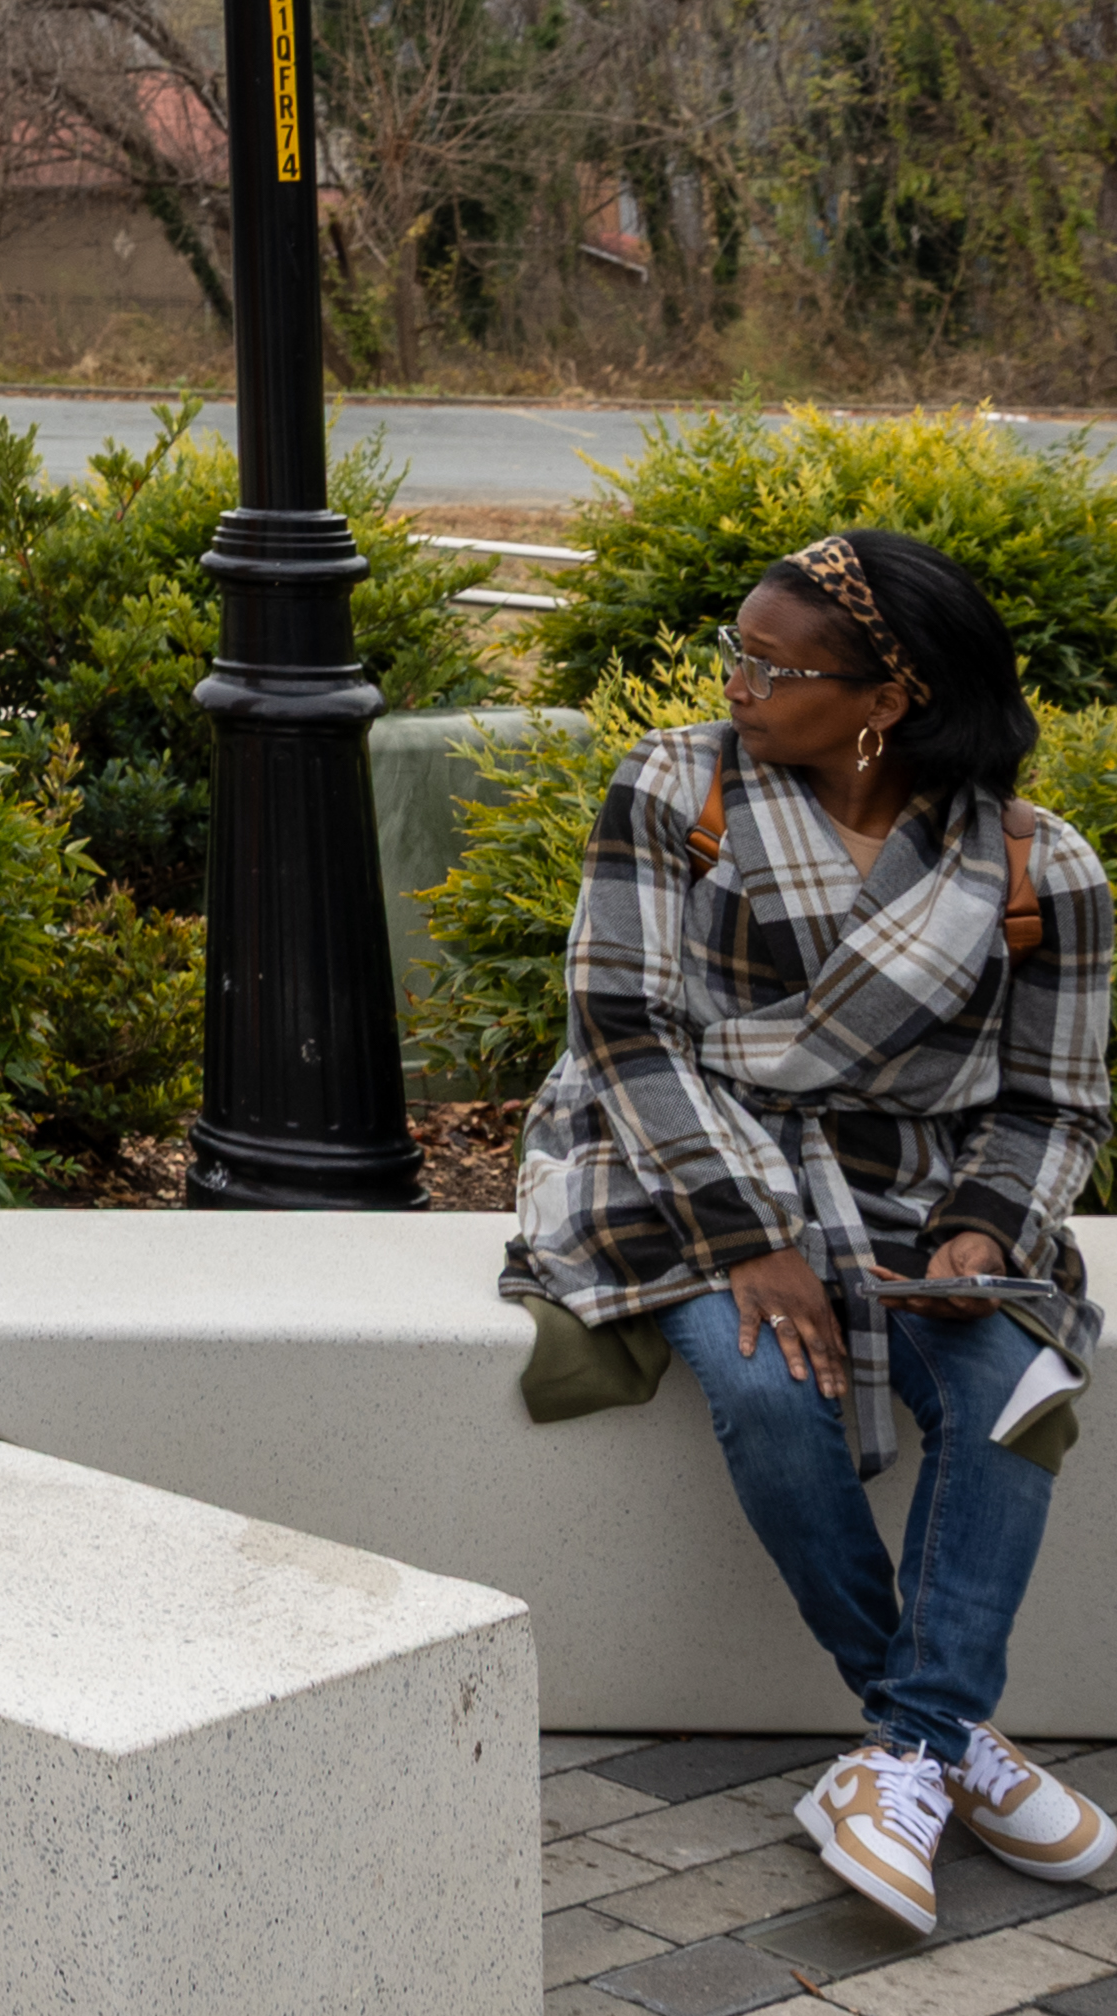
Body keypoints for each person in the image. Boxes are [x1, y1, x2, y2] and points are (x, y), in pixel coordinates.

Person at [511, 527, 1113, 1938]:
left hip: (913, 1185)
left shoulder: (1041, 865)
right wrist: (745, 1242)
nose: (735, 680)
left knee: (1016, 1388)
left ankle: (904, 1754)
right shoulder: (679, 783)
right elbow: (624, 1028)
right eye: (735, 649)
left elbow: (1055, 1101)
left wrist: (977, 1237)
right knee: (774, 1389)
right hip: (673, 1154)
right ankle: (938, 1736)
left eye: (772, 666)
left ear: (885, 697)